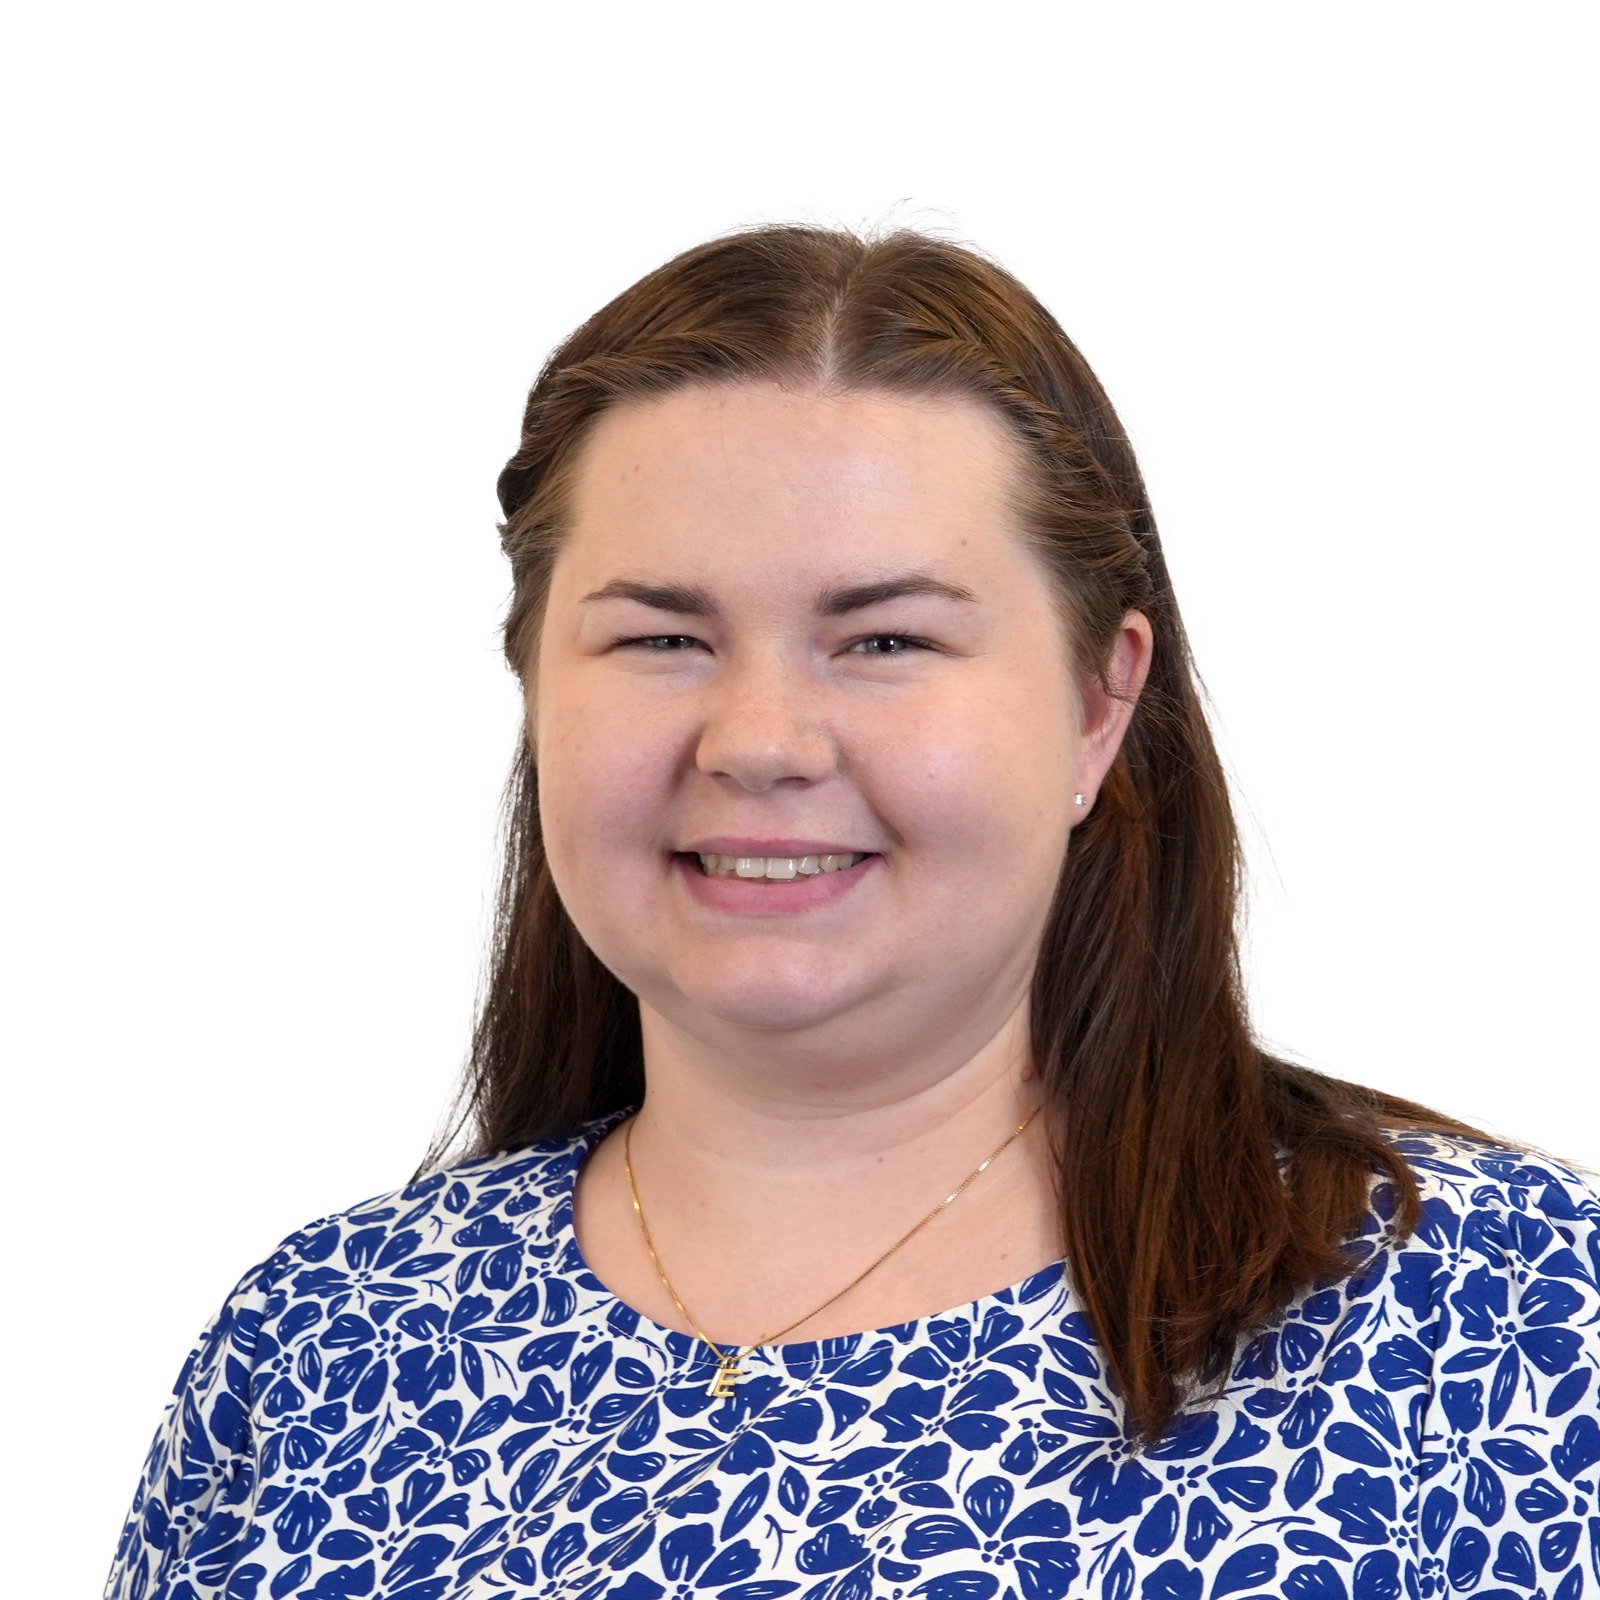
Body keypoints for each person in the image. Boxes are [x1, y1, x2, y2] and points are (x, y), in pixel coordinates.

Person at [106, 227, 1600, 1600]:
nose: (760, 741)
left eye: (885, 639)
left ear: (1099, 704)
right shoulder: (319, 1355)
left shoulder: (1503, 1323)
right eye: (661, 638)